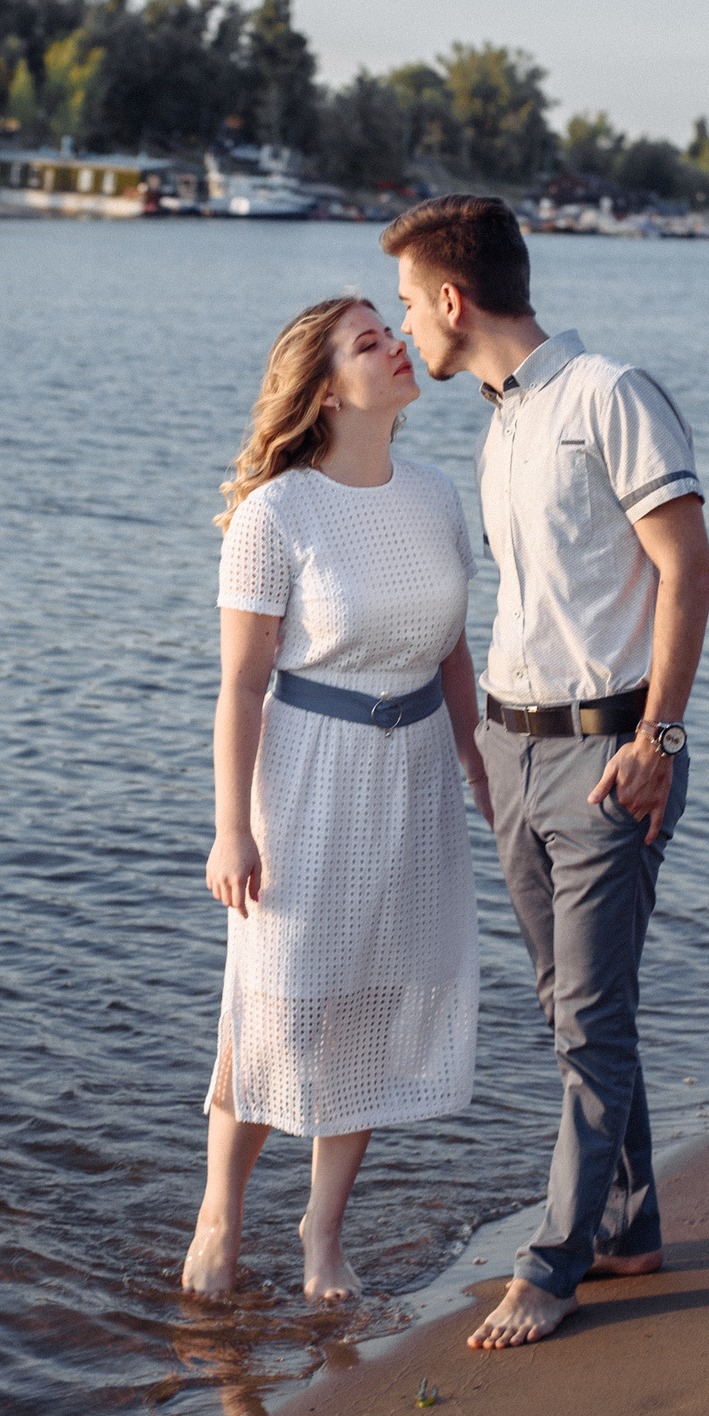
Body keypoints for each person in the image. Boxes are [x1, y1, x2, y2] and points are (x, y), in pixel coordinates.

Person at [383, 195, 709, 1350]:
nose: (403, 329)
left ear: (450, 299)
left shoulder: (607, 397)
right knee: (566, 1009)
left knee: (589, 1017)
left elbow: (689, 569)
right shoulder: (499, 422)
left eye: (404, 304)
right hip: (515, 752)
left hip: (607, 754)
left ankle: (554, 1259)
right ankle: (627, 1223)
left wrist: (658, 742)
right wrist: (481, 754)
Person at [182, 294, 492, 1302]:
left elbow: (450, 647)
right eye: (372, 341)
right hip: (306, 778)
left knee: (371, 997)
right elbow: (239, 681)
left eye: (389, 330)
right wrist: (231, 827)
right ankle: (220, 1221)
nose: (398, 345)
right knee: (278, 1005)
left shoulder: (437, 493)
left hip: (412, 781)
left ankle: (323, 1233)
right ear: (325, 391)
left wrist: (478, 762)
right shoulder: (276, 513)